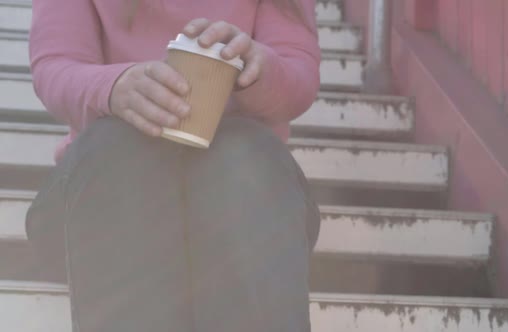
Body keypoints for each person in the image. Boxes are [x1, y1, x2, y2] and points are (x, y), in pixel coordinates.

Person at [25, 0, 321, 331]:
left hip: (242, 203)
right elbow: (56, 64)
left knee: (243, 154)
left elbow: (299, 71)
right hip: (105, 197)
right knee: (123, 146)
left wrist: (257, 67)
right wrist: (114, 86)